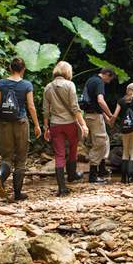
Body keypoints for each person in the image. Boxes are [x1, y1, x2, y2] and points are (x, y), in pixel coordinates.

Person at [0, 58, 42, 201]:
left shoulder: (1, 83)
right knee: (21, 159)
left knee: (6, 157)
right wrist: (37, 125)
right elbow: (31, 106)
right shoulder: (27, 85)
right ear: (23, 69)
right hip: (21, 122)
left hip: (4, 122)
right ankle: (17, 193)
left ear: (10, 67)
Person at [43, 61, 90, 196]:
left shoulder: (48, 87)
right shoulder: (70, 85)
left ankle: (62, 188)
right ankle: (72, 175)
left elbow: (45, 110)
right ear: (67, 72)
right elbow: (75, 107)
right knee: (73, 148)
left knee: (59, 155)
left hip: (55, 125)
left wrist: (46, 127)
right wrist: (83, 124)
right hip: (70, 123)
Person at [80, 67, 116, 183]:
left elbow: (93, 102)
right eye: (109, 79)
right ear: (106, 74)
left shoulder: (90, 80)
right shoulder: (99, 82)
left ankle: (102, 168)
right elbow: (100, 100)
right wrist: (110, 114)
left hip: (88, 116)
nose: (109, 82)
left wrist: (105, 117)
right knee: (100, 143)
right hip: (94, 117)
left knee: (104, 140)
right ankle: (93, 176)